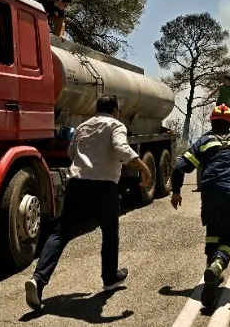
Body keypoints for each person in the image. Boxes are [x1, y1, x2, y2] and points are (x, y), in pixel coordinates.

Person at [24, 94, 152, 311]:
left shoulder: (83, 126)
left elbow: (71, 152)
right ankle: (110, 278)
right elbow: (121, 149)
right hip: (104, 187)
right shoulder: (115, 125)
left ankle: (38, 280)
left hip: (78, 184)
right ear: (114, 110)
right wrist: (144, 168)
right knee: (109, 231)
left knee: (61, 233)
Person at [170, 103, 230, 307]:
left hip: (211, 194)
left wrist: (177, 192)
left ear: (212, 122)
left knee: (213, 232)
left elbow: (179, 167)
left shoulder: (204, 142)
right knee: (228, 240)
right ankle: (217, 264)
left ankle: (211, 272)